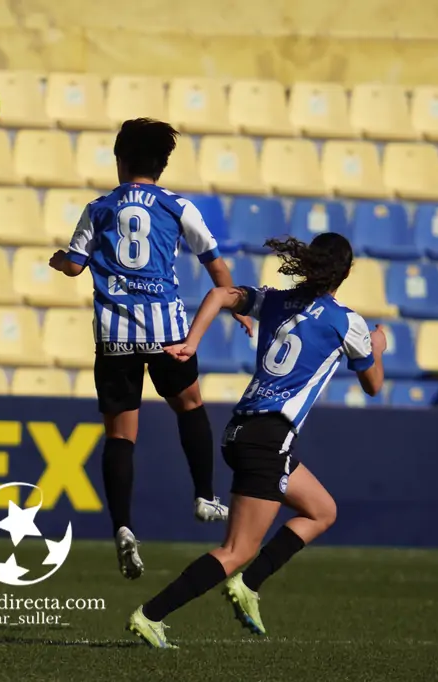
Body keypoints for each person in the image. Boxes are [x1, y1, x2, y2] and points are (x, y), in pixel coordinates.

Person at [126, 232, 387, 648]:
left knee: (321, 510)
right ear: (347, 273)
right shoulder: (347, 322)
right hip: (269, 438)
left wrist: (192, 342)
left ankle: (249, 584)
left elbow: (220, 294)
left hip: (242, 429)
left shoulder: (276, 300)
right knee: (236, 549)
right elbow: (373, 385)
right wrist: (376, 346)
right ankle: (151, 615)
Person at [49, 118, 252, 581]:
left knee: (121, 435)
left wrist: (61, 260)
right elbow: (214, 263)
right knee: (190, 405)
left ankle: (122, 527)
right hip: (168, 332)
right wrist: (236, 305)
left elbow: (75, 268)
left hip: (115, 334)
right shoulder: (178, 206)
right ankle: (204, 495)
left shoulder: (99, 207)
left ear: (119, 161)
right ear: (161, 166)